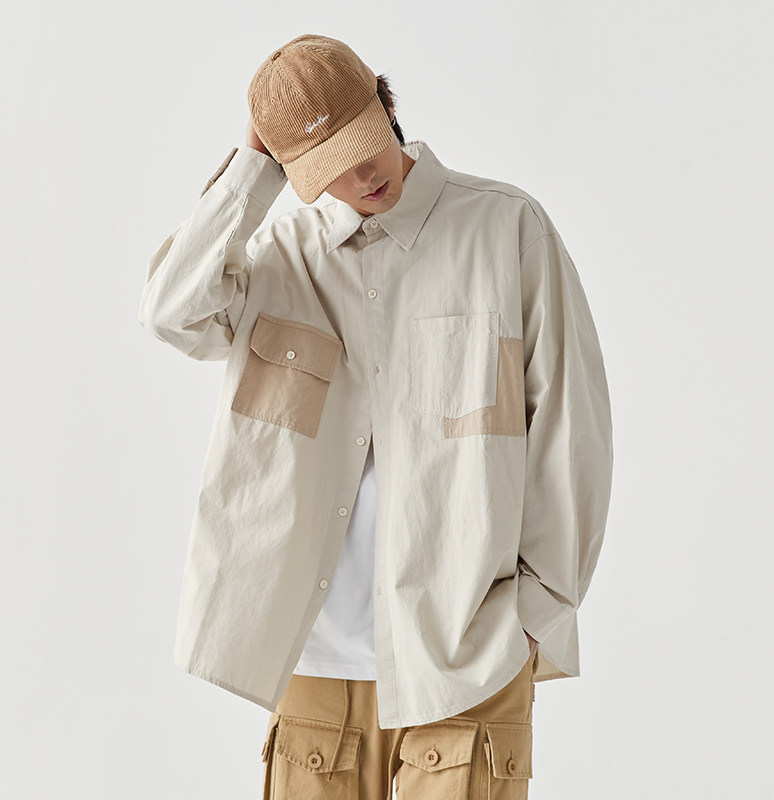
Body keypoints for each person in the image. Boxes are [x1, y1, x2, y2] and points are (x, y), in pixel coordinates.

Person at [138, 32, 613, 800]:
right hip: (312, 660)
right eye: (330, 166)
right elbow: (170, 315)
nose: (364, 175)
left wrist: (539, 611)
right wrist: (252, 171)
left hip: (468, 650)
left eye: (368, 145)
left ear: (388, 106)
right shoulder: (275, 257)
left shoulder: (506, 230)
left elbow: (571, 430)